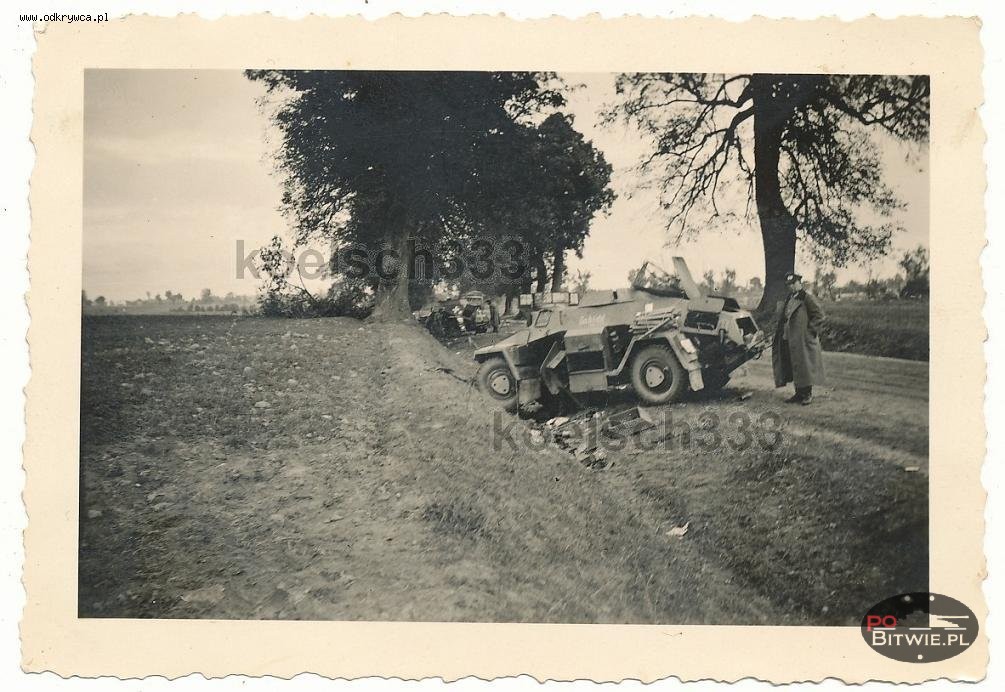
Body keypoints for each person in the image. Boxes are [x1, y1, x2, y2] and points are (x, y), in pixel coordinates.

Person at [772, 272, 826, 405]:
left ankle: (807, 394)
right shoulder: (790, 298)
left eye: (793, 283)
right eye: (789, 285)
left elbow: (819, 315)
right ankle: (798, 393)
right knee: (794, 365)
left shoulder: (806, 298)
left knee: (804, 366)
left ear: (799, 283)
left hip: (802, 339)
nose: (791, 286)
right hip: (789, 337)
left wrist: (810, 331)